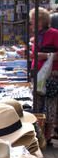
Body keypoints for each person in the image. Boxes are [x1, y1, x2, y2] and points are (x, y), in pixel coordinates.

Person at [29, 7, 58, 145]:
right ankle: (39, 134)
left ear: (41, 20)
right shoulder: (37, 36)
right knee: (38, 104)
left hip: (51, 75)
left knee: (50, 105)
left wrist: (46, 55)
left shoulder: (54, 34)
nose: (31, 21)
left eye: (33, 19)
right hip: (37, 73)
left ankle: (47, 136)